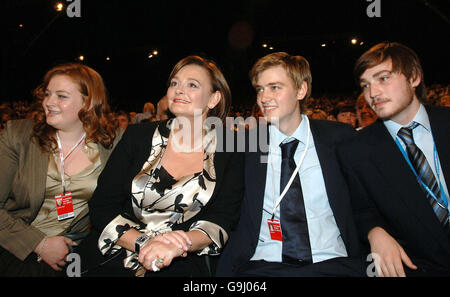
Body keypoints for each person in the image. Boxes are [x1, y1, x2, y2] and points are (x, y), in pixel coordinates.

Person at [77, 55, 244, 277]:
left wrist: (178, 244)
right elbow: (102, 205)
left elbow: (223, 218)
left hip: (183, 261)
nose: (178, 90)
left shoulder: (231, 148)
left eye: (192, 85)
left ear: (213, 99)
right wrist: (144, 244)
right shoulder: (138, 137)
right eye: (174, 83)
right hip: (114, 254)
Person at [216, 52, 364, 277]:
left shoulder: (340, 139)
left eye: (274, 87)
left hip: (333, 262)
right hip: (262, 266)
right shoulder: (244, 146)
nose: (264, 97)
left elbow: (367, 201)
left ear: (301, 90)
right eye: (259, 89)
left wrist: (377, 233)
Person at [337, 42, 450, 276]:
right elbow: (360, 210)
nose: (372, 93)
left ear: (414, 77)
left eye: (383, 78)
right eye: (365, 85)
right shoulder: (354, 151)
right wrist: (374, 231)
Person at [0, 63, 122, 276]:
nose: (49, 102)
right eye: (47, 94)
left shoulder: (110, 144)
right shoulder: (18, 136)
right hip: (15, 248)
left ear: (89, 102)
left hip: (75, 251)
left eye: (61, 96)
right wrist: (38, 243)